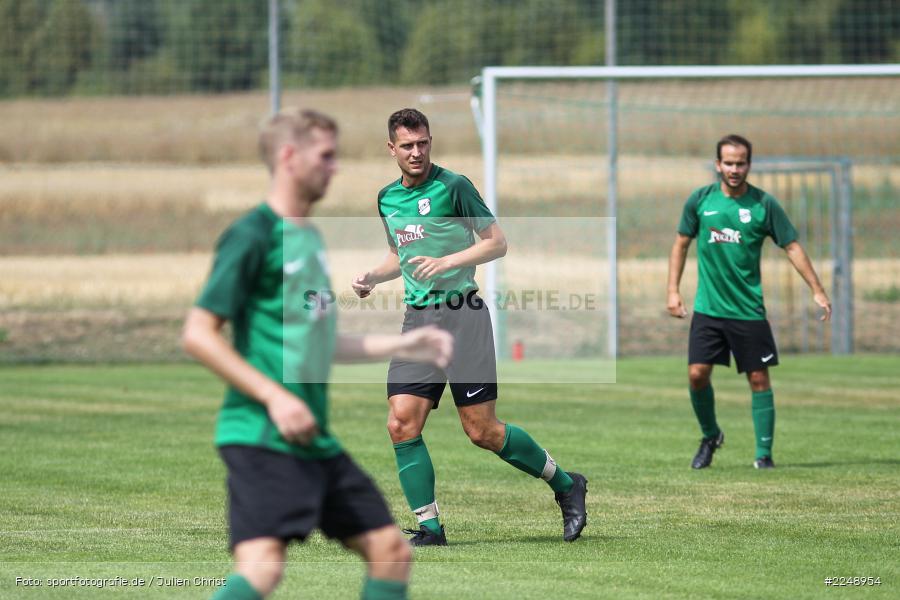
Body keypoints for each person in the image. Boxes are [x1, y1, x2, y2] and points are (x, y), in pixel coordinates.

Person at [182, 108, 453, 600]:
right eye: (326, 157)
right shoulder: (252, 235)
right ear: (289, 157)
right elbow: (198, 333)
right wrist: (275, 397)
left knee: (390, 553)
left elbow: (320, 344)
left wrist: (406, 343)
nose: (335, 168)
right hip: (264, 436)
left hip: (313, 440)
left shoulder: (307, 238)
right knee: (262, 571)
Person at [351, 108, 587, 546]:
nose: (416, 152)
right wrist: (371, 277)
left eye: (423, 143)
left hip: (463, 316)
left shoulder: (454, 186)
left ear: (430, 141)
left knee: (482, 431)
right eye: (407, 146)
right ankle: (430, 529)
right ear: (392, 149)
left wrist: (448, 261)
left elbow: (496, 243)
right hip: (418, 322)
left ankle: (567, 484)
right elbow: (398, 256)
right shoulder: (386, 198)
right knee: (401, 423)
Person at [667, 134, 832, 470]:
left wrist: (817, 288)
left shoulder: (763, 204)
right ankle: (710, 435)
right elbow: (681, 244)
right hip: (708, 309)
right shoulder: (700, 201)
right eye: (728, 162)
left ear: (749, 165)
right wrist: (673, 290)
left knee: (758, 379)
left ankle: (763, 455)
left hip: (748, 311)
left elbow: (792, 246)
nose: (734, 168)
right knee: (697, 375)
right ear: (718, 165)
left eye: (741, 162)